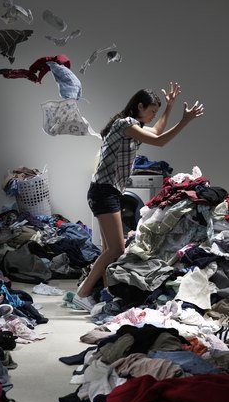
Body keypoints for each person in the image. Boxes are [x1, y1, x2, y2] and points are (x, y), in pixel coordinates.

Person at [73, 82, 204, 311]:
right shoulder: (125, 124)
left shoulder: (133, 126)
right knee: (116, 249)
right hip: (104, 192)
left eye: (155, 112)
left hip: (107, 191)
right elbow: (160, 140)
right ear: (139, 106)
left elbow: (155, 133)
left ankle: (106, 292)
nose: (153, 116)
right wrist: (185, 120)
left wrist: (169, 107)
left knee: (110, 250)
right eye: (152, 111)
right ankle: (82, 293)